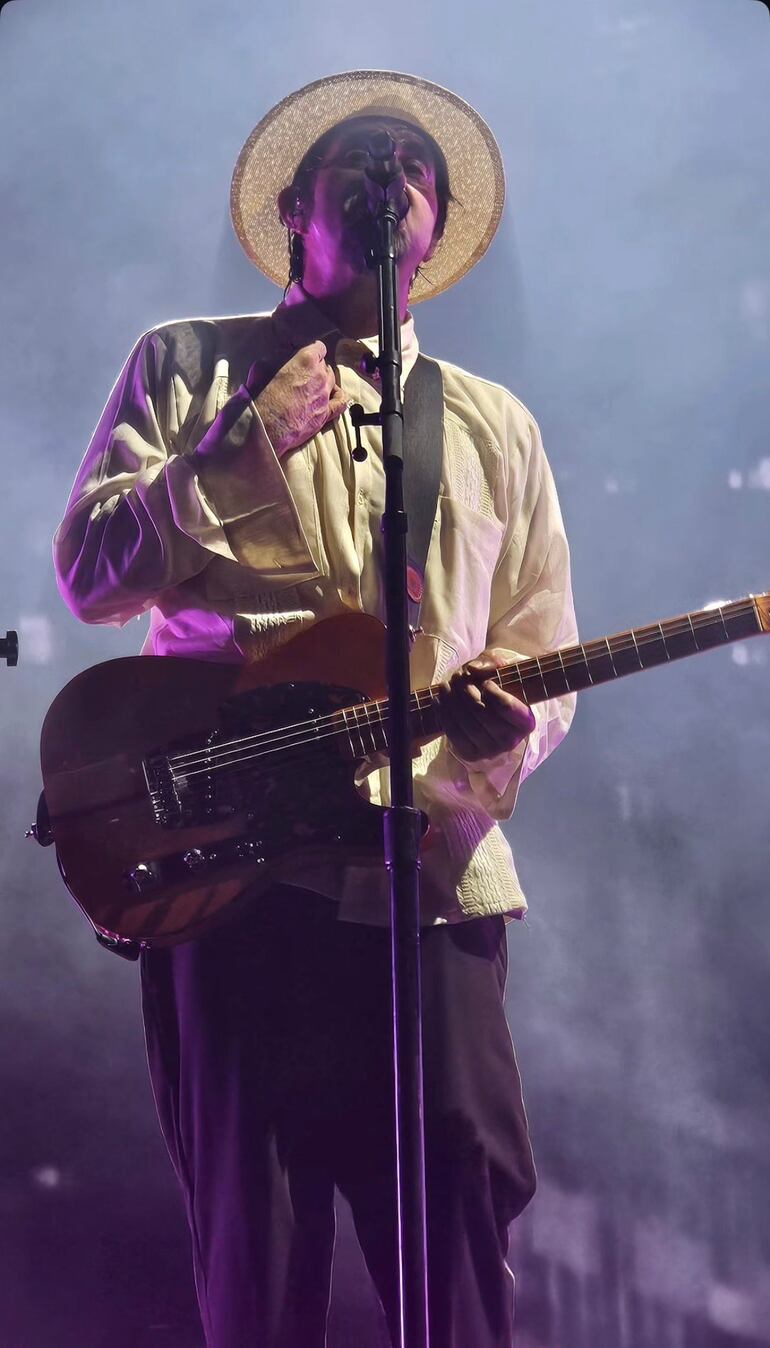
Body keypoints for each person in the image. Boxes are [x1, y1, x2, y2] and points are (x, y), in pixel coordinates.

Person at [54, 71, 577, 1348]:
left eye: (411, 170)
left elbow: (536, 647)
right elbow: (88, 576)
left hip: (430, 881)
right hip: (241, 885)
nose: (385, 181)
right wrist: (238, 445)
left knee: (455, 1238)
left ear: (434, 222)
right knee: (262, 1261)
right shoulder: (186, 364)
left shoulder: (493, 425)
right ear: (297, 207)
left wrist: (510, 730)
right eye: (358, 162)